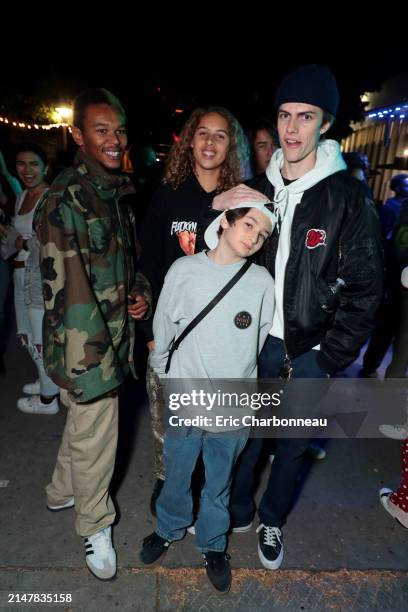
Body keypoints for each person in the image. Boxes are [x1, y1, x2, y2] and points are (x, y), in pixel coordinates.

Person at [201, 64, 383, 570]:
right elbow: (217, 257)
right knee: (245, 437)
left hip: (309, 351)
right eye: (284, 115)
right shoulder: (256, 188)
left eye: (306, 116)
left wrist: (331, 356)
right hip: (255, 343)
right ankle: (236, 508)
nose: (292, 128)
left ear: (326, 123)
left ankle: (272, 519)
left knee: (292, 446)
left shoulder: (347, 196)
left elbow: (367, 289)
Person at [34, 88, 151, 581]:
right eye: (101, 130)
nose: (114, 139)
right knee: (97, 434)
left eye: (119, 129)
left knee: (86, 429)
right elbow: (70, 296)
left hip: (112, 338)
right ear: (78, 136)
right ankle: (94, 524)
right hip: (89, 350)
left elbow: (130, 260)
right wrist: (94, 370)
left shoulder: (113, 190)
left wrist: (140, 289)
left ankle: (61, 491)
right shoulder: (66, 199)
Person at [138, 202, 275, 592]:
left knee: (219, 481)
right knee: (177, 472)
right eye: (249, 224)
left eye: (262, 234)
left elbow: (258, 337)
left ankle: (213, 544)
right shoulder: (185, 271)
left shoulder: (262, 281)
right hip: (185, 393)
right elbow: (163, 325)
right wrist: (165, 376)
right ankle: (168, 528)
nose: (253, 237)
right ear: (227, 221)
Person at [137, 106, 250, 515]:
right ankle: (169, 481)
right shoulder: (169, 193)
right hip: (173, 332)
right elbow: (148, 264)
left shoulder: (242, 200)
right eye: (203, 133)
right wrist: (150, 333)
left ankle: (205, 486)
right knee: (168, 423)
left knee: (213, 420)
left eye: (221, 135)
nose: (210, 142)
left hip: (220, 336)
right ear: (190, 139)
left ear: (230, 146)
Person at [0, 144, 59, 413]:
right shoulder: (23, 195)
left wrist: (22, 243)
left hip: (38, 279)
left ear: (46, 167)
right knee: (25, 333)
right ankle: (45, 379)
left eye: (34, 164)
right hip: (20, 273)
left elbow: (52, 241)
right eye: (21, 164)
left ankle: (49, 399)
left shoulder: (50, 197)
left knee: (41, 338)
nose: (27, 170)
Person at [361, 173, 408, 378]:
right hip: (398, 276)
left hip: (398, 274)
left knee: (390, 328)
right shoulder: (393, 208)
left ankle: (373, 365)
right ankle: (376, 368)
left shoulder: (402, 207)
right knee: (395, 330)